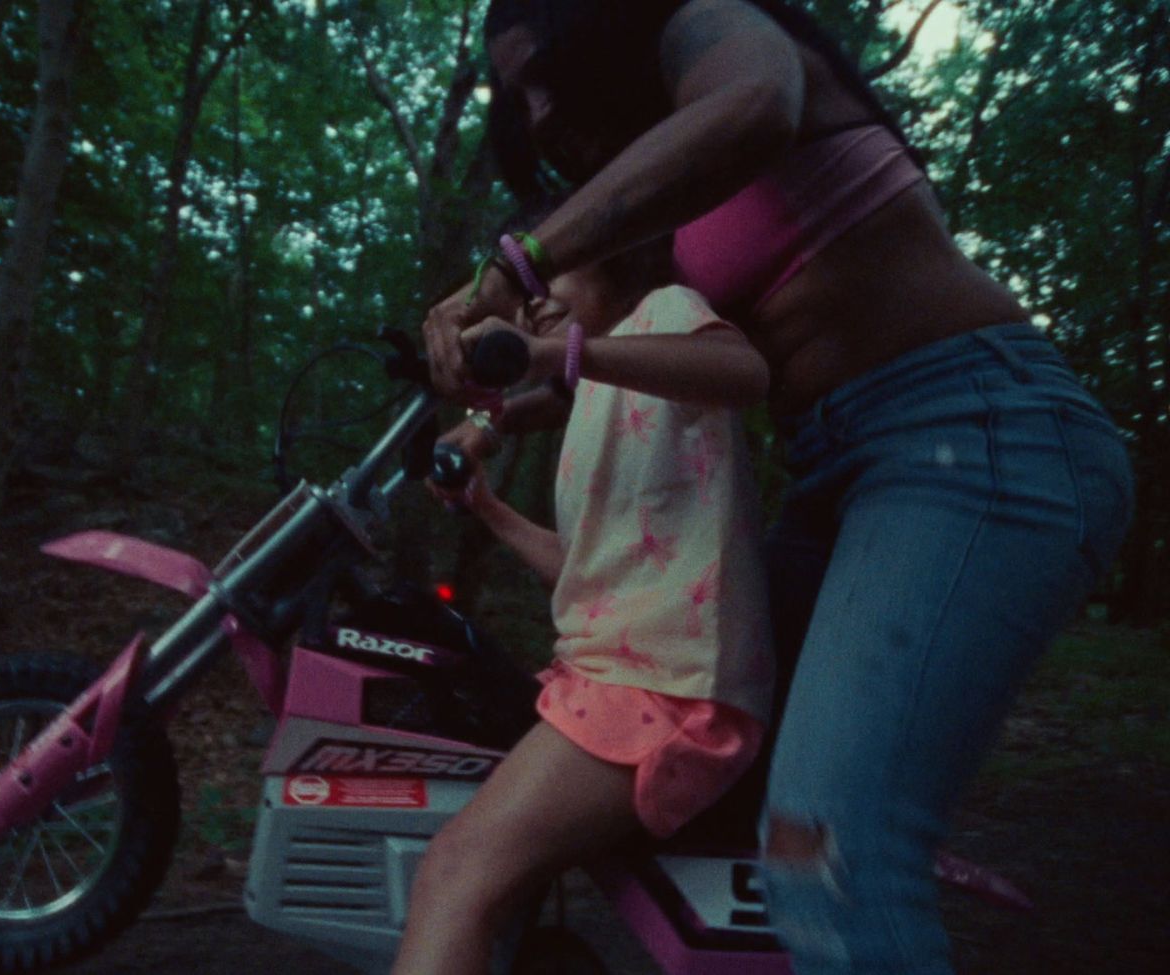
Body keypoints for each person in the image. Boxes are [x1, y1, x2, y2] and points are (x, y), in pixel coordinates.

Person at [420, 2, 1135, 972]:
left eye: (544, 73)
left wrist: (518, 262)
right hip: (837, 472)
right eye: (517, 98)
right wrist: (490, 412)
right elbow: (635, 365)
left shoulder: (720, 35)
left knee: (828, 851)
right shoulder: (670, 201)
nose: (538, 113)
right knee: (719, 816)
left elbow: (755, 105)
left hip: (971, 438)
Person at [393, 254, 777, 974]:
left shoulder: (663, 311)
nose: (534, 306)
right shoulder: (598, 399)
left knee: (453, 874)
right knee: (489, 881)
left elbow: (745, 372)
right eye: (527, 299)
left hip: (668, 689)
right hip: (618, 679)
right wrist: (488, 508)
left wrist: (556, 355)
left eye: (551, 284)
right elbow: (585, 570)